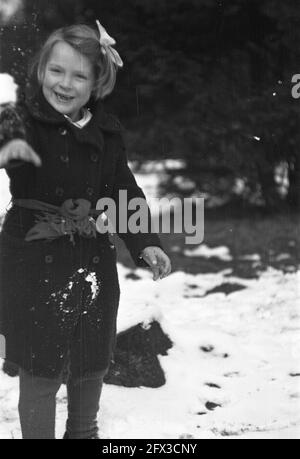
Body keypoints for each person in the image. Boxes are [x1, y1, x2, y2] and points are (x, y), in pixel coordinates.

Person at [0, 21, 171, 439]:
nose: (65, 83)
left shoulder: (106, 134)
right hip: (34, 263)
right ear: (41, 71)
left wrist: (146, 242)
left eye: (79, 75)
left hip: (91, 262)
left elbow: (125, 191)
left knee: (90, 358)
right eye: (56, 71)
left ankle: (84, 432)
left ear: (97, 82)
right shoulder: (24, 122)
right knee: (40, 366)